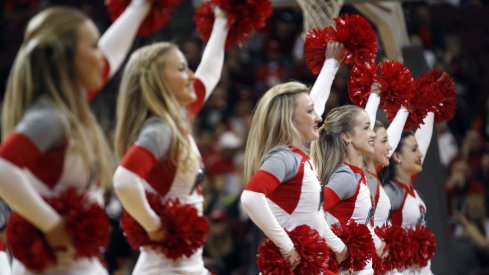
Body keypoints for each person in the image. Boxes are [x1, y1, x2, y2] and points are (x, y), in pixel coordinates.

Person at [0, 1, 152, 274]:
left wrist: (141, 7)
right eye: (93, 46)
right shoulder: (51, 116)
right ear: (66, 57)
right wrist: (51, 224)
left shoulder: (69, 107)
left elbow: (111, 57)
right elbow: (2, 168)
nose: (100, 56)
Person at [112, 8, 229, 274]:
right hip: (166, 268)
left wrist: (223, 20)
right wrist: (153, 226)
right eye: (181, 68)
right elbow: (123, 180)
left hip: (185, 265)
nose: (190, 75)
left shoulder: (178, 118)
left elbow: (209, 74)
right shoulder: (161, 129)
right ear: (157, 81)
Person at [240, 80, 348, 272]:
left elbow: (311, 215)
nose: (318, 117)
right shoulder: (284, 157)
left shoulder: (299, 157)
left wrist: (336, 245)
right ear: (290, 119)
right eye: (310, 111)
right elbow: (250, 197)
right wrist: (286, 245)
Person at [310, 104, 380, 274]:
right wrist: (338, 246)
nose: (373, 133)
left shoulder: (355, 174)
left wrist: (375, 95)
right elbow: (311, 211)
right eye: (366, 127)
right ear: (347, 136)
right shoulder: (346, 177)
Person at [380, 112, 435, 274]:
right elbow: (375, 229)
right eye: (413, 149)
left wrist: (431, 109)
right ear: (397, 156)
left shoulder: (409, 188)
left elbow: (424, 139)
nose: (420, 154)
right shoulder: (391, 192)